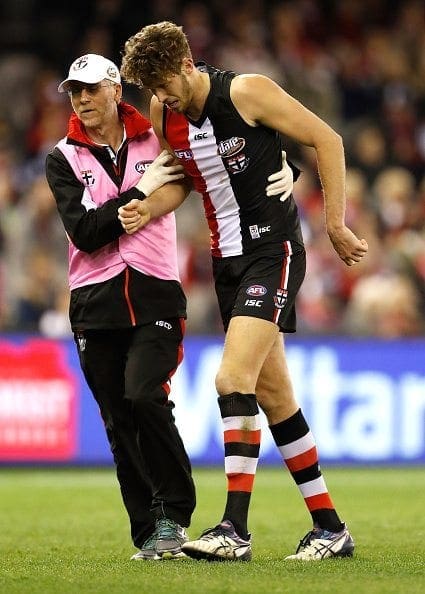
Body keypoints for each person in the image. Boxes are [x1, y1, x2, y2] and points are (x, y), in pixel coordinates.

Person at [118, 21, 368, 562]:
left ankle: (233, 529)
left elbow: (327, 138)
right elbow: (185, 181)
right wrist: (147, 208)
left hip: (271, 252)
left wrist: (335, 222)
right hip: (226, 264)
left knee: (231, 378)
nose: (162, 99)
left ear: (187, 63)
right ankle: (330, 527)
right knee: (275, 397)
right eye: (152, 91)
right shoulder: (167, 113)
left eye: (166, 83)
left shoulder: (246, 90)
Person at [45, 53, 197, 561]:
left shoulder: (158, 137)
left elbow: (211, 164)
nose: (81, 99)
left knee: (144, 395)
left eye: (90, 89)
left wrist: (284, 166)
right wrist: (142, 190)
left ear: (115, 89)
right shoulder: (62, 158)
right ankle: (149, 532)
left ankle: (175, 511)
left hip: (154, 289)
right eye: (74, 91)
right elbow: (86, 234)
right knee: (116, 418)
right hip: (93, 300)